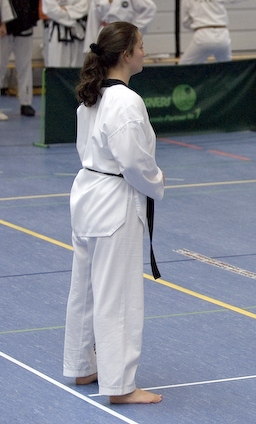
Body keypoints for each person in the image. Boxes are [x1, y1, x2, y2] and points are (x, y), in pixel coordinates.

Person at [63, 21, 164, 404]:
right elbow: (135, 162)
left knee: (85, 289)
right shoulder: (125, 101)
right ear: (126, 54)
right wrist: (157, 180)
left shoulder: (93, 97)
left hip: (88, 195)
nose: (144, 52)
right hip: (113, 202)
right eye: (141, 46)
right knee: (117, 295)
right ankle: (120, 385)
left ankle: (82, 364)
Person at [0, 0, 39, 118]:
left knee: (25, 66)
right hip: (4, 27)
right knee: (0, 66)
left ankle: (26, 102)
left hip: (24, 24)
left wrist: (31, 21)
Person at [178, 0, 243, 65]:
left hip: (203, 34)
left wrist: (196, 26)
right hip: (222, 33)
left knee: (184, 66)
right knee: (227, 67)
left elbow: (185, 21)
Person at [83, 0, 156, 54]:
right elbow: (93, 21)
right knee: (104, 60)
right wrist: (90, 47)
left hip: (124, 34)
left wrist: (133, 29)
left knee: (124, 58)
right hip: (104, 32)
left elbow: (150, 8)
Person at [41, 0, 89, 67]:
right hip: (57, 33)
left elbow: (85, 6)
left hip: (78, 33)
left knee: (79, 67)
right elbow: (51, 10)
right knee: (57, 66)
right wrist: (74, 22)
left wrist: (66, 8)